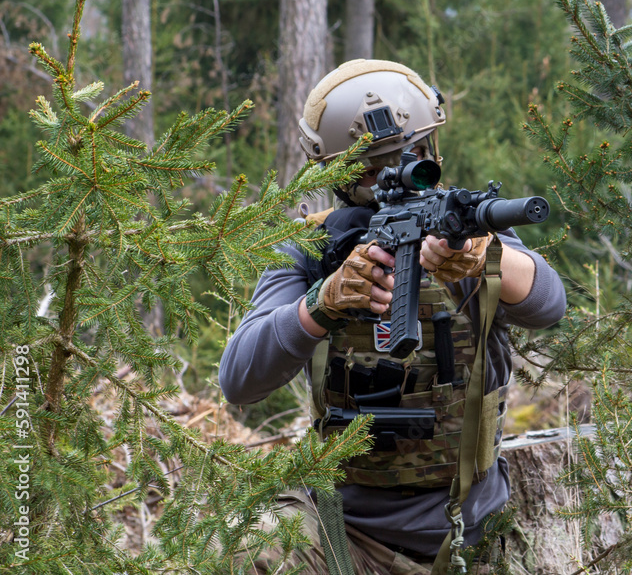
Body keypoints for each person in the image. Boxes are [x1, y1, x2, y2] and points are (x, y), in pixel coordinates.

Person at [219, 59, 566, 575]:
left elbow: (550, 303)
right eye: (370, 169)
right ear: (336, 173)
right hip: (343, 528)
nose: (397, 174)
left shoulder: (464, 224)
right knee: (254, 549)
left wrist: (486, 255)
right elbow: (239, 381)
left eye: (413, 157)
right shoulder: (312, 247)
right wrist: (321, 303)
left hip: (468, 533)